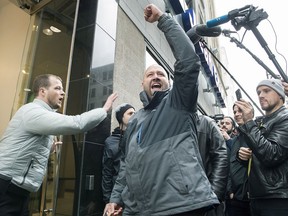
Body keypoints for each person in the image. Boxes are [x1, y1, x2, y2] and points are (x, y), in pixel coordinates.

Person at [103, 4, 219, 216]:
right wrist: (116, 199)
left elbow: (188, 62)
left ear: (169, 81)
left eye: (161, 74)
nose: (156, 76)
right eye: (150, 74)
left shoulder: (178, 103)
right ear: (142, 83)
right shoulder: (135, 119)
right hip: (138, 210)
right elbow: (127, 167)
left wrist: (163, 20)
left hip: (180, 208)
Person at [0, 74, 118, 216]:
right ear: (42, 91)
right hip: (7, 187)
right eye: (57, 88)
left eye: (62, 89)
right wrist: (104, 110)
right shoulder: (33, 111)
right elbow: (77, 123)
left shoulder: (40, 115)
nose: (63, 92)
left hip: (18, 190)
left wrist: (48, 150)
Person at [234, 78, 288, 216]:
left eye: (267, 91)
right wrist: (243, 156)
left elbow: (271, 155)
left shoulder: (285, 118)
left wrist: (249, 123)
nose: (261, 95)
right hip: (258, 196)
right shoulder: (260, 122)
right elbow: (257, 152)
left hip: (277, 198)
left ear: (280, 95)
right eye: (258, 92)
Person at [102, 103, 135, 204]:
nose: (134, 115)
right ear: (121, 117)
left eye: (135, 113)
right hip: (118, 196)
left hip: (136, 195)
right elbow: (107, 172)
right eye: (130, 113)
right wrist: (108, 199)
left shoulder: (138, 137)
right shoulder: (111, 142)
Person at [197, 115, 228, 216]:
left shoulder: (205, 123)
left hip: (205, 199)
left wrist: (214, 195)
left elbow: (221, 156)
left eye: (227, 123)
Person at [225, 103, 253, 216]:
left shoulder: (258, 135)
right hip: (235, 199)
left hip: (253, 200)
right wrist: (230, 190)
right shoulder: (236, 140)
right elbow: (229, 168)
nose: (237, 114)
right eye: (235, 112)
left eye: (240, 111)